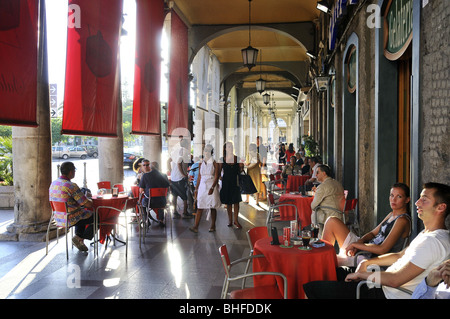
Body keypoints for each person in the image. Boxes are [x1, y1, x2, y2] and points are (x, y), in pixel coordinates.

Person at [304, 182, 450, 299]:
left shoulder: (433, 242)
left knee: (310, 289)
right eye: (419, 198)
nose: (417, 203)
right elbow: (400, 255)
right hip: (378, 281)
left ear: (441, 207)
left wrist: (361, 274)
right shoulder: (427, 234)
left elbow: (395, 280)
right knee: (325, 270)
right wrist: (367, 263)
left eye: (424, 200)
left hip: (384, 292)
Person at [322, 183, 412, 267]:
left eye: (399, 196)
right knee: (331, 221)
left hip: (371, 258)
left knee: (328, 261)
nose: (393, 199)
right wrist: (359, 242)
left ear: (407, 200)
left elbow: (382, 249)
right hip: (365, 247)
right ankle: (321, 254)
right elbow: (372, 233)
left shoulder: (402, 220)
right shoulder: (391, 214)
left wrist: (356, 245)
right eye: (392, 195)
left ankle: (322, 261)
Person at [49, 161, 94, 252]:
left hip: (57, 217)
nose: (75, 172)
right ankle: (80, 237)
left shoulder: (54, 183)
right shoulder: (71, 185)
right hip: (70, 218)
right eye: (74, 170)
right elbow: (87, 203)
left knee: (82, 214)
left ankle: (78, 237)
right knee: (96, 216)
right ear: (71, 171)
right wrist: (90, 199)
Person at [189, 145, 221, 233]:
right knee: (200, 205)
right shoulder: (201, 163)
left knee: (212, 206)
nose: (206, 152)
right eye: (205, 151)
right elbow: (199, 176)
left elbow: (216, 176)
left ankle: (213, 225)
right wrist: (196, 189)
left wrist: (212, 187)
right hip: (202, 186)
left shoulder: (215, 162)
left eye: (208, 151)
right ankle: (195, 226)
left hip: (211, 185)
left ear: (211, 152)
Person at [219, 141, 244, 229]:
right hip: (226, 182)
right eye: (229, 146)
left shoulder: (237, 158)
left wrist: (241, 166)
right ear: (225, 148)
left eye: (232, 146)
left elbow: (241, 171)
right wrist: (220, 178)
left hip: (235, 181)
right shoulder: (223, 159)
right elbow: (218, 171)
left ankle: (236, 220)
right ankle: (230, 220)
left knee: (236, 201)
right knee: (229, 202)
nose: (231, 148)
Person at [139, 161, 170, 226]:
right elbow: (168, 186)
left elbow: (141, 190)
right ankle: (161, 220)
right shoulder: (164, 175)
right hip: (162, 202)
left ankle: (146, 220)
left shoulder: (145, 176)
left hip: (150, 202)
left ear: (150, 167)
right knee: (161, 199)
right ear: (159, 167)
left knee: (141, 203)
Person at [168, 138, 193, 219]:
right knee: (185, 196)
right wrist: (184, 174)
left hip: (174, 178)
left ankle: (175, 212)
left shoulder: (175, 151)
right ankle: (185, 212)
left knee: (174, 195)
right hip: (180, 178)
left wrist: (171, 171)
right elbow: (179, 163)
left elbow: (168, 161)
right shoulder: (184, 151)